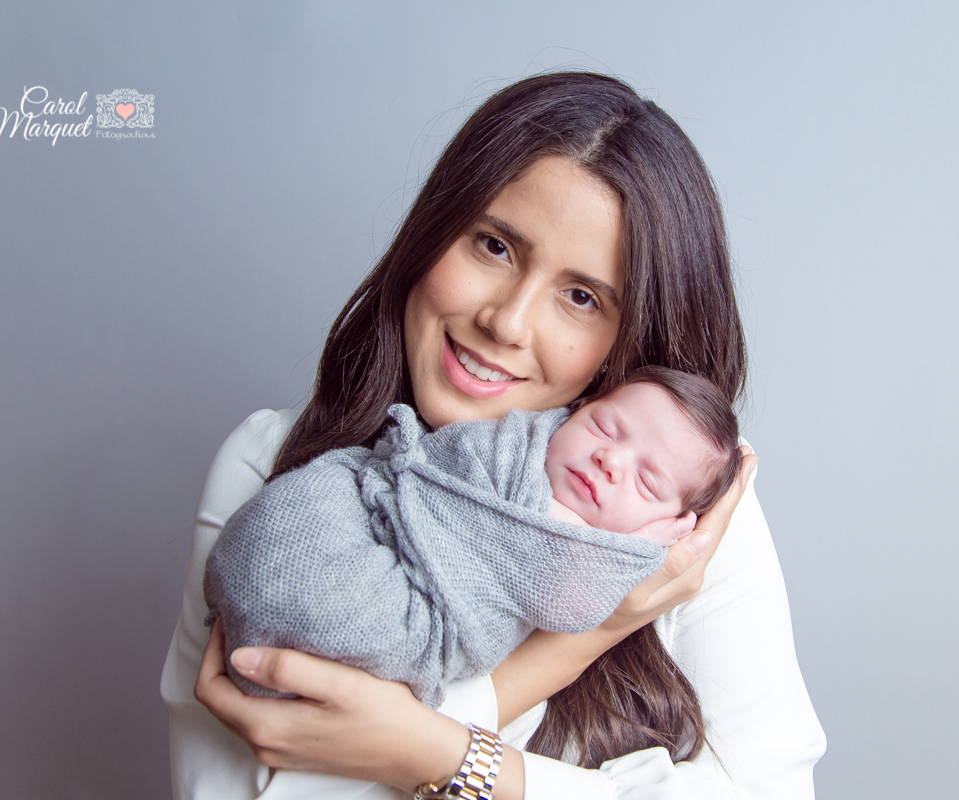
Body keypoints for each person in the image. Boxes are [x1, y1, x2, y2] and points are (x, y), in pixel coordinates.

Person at [162, 71, 826, 800]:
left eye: (581, 297)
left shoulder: (676, 528)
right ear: (432, 231)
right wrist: (567, 652)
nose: (507, 323)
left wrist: (440, 753)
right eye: (494, 246)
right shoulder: (269, 464)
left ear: (623, 341)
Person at [204, 369, 741, 714]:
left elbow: (572, 599)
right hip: (373, 508)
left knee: (333, 614)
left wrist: (631, 554)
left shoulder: (666, 564)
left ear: (674, 527)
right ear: (577, 409)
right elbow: (438, 468)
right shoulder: (506, 443)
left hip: (421, 603)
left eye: (647, 482)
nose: (610, 459)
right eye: (605, 427)